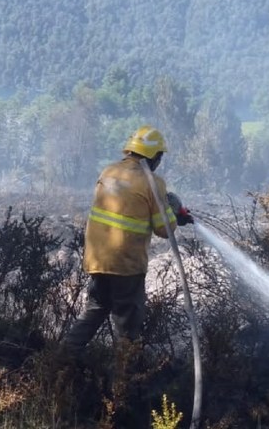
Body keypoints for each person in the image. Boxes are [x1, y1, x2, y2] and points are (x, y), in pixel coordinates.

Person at [63, 125, 193, 353]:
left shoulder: (108, 172)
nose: (159, 162)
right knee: (128, 326)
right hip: (126, 263)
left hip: (97, 259)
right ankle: (125, 369)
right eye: (159, 156)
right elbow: (164, 229)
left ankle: (61, 358)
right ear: (154, 156)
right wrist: (174, 214)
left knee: (95, 308)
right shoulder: (152, 183)